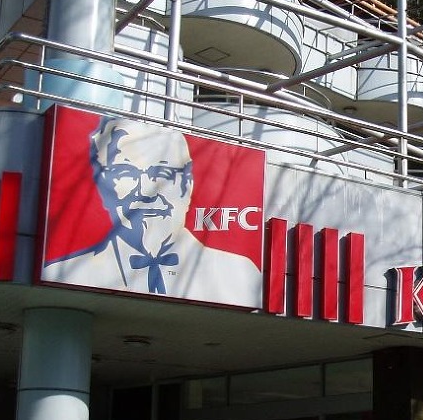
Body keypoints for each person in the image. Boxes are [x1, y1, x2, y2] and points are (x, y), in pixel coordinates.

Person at [42, 116, 262, 306]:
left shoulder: (241, 276)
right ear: (103, 186)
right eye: (126, 173)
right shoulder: (61, 272)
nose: (147, 192)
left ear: (187, 185)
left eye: (162, 173)